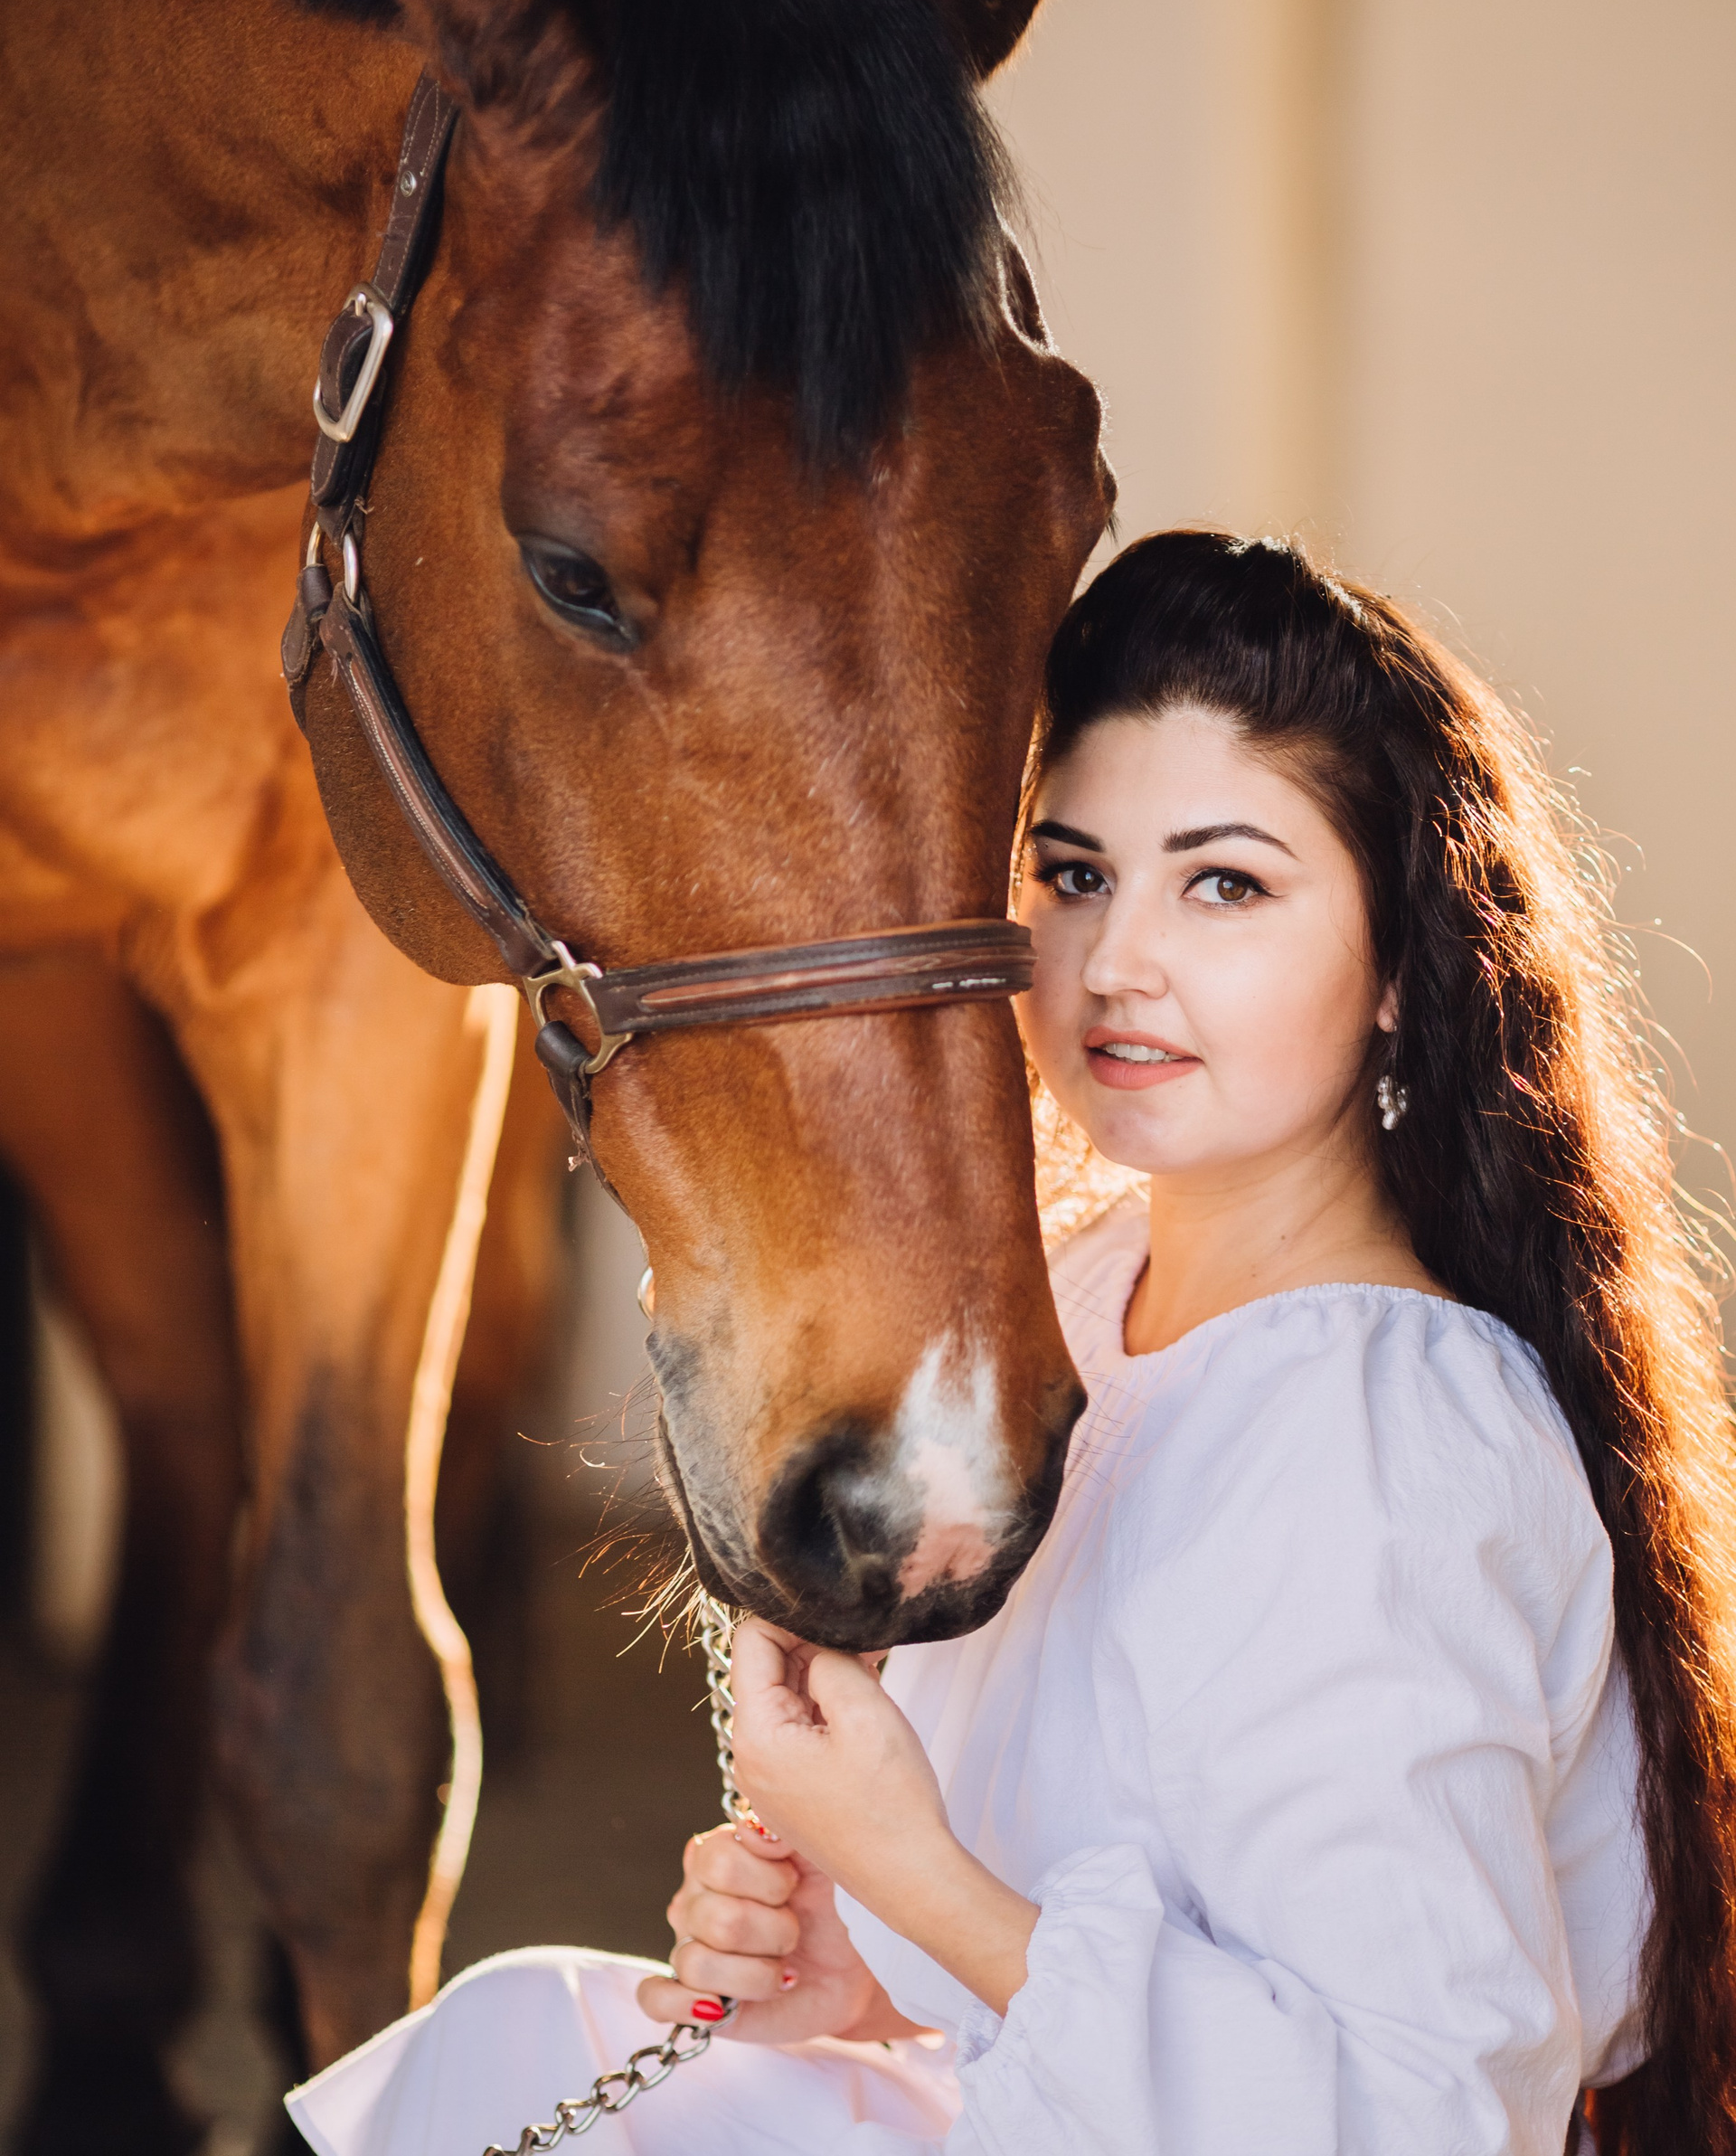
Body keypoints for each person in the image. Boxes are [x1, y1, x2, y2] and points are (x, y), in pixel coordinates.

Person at [288, 531, 1736, 2155]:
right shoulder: (1084, 1305)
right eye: (1074, 873)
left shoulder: (1383, 1436)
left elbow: (1422, 2115)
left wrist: (917, 1878)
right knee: (523, 2029)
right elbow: (1107, 1902)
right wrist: (866, 1968)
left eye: (1227, 884)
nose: (1116, 962)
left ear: (1403, 961)